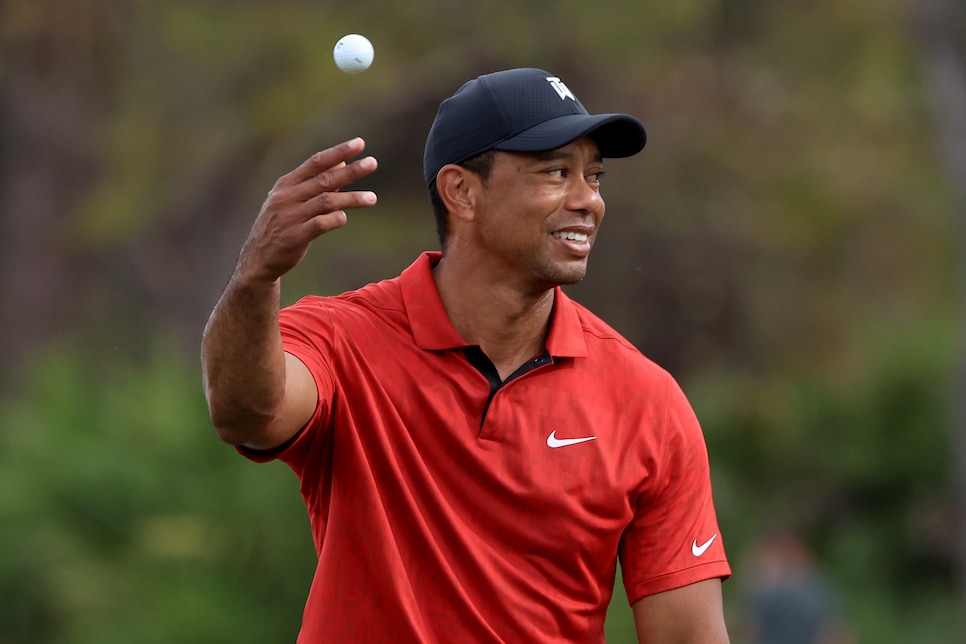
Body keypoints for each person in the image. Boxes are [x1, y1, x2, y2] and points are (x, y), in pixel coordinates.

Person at [201, 67, 731, 643]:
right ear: (461, 191)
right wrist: (255, 279)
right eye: (556, 172)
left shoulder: (646, 400)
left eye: (594, 177)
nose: (588, 202)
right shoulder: (342, 338)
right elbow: (247, 414)